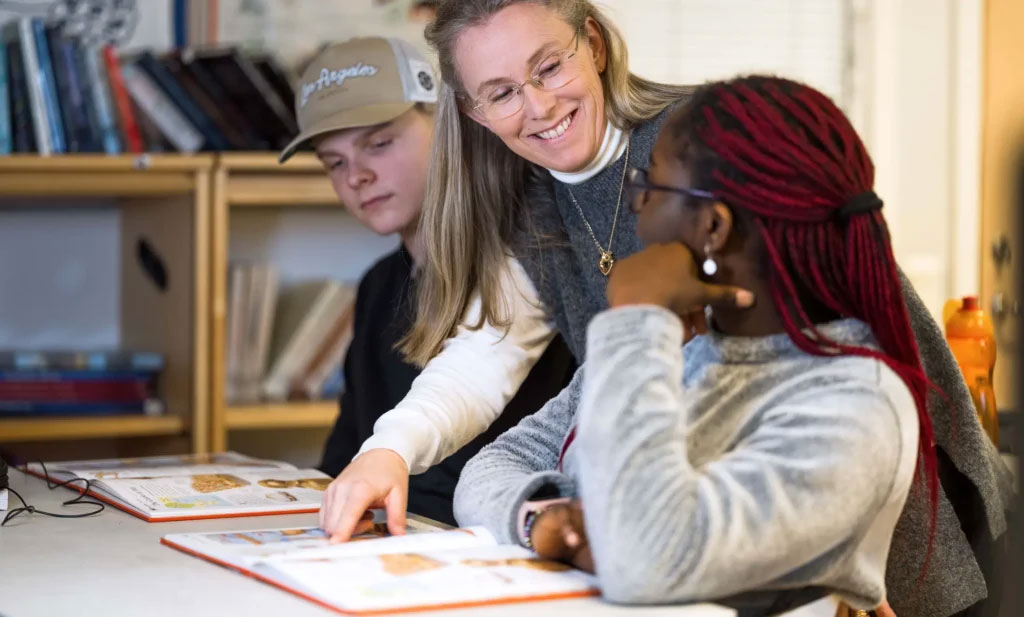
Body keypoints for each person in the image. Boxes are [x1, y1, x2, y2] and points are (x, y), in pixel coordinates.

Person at [319, 3, 1013, 616]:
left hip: (833, 480)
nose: (536, 104)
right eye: (501, 92)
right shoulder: (528, 203)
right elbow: (490, 349)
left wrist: (844, 568)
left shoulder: (701, 143)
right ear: (471, 111)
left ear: (592, 43)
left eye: (549, 66)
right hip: (691, 522)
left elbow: (829, 333)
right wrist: (394, 447)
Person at [454, 74, 938, 614]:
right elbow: (490, 468)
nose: (636, 206)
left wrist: (636, 315)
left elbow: (643, 562)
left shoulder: (854, 404)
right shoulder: (665, 348)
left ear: (711, 226)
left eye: (649, 185)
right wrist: (544, 518)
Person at [277, 36, 575, 527]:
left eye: (378, 143)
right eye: (334, 162)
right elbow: (342, 461)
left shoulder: (528, 258)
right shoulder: (377, 288)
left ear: (447, 125)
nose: (357, 176)